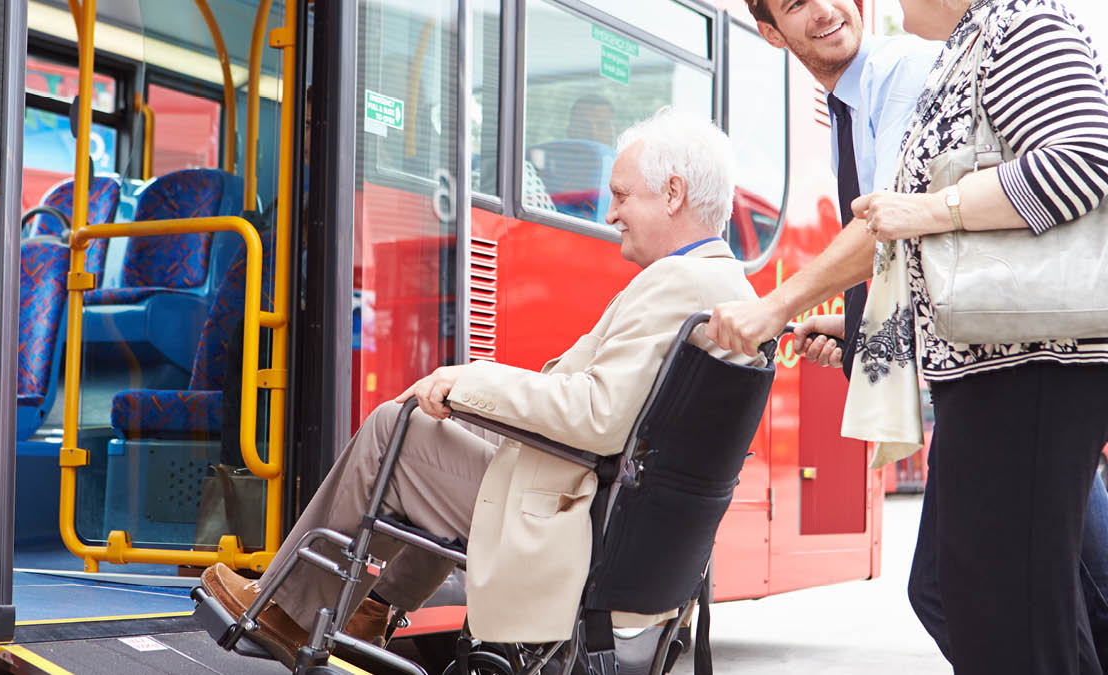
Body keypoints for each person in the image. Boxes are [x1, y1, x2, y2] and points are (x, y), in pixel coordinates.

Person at [200, 107, 761, 668]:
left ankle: (286, 611)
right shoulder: (727, 285)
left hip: (578, 525)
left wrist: (469, 378)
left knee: (394, 430)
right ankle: (373, 611)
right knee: (446, 424)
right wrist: (472, 402)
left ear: (673, 193)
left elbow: (598, 415)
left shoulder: (675, 283)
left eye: (621, 195)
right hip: (623, 524)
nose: (610, 213)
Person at [716, 0, 1108, 671]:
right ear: (771, 30)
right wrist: (867, 323)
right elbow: (941, 248)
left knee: (1004, 607)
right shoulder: (959, 50)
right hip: (995, 364)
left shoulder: (1010, 28)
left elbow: (1084, 162)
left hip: (1033, 361)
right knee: (1000, 604)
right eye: (794, 3)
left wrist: (927, 208)